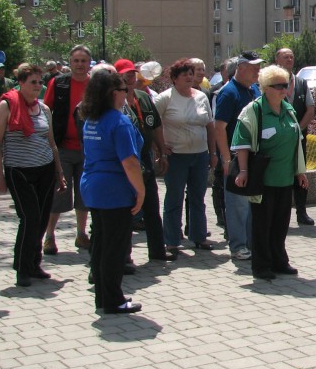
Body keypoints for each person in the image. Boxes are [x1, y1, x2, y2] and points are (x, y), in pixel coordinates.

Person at [0, 64, 66, 286]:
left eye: (40, 82)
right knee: (29, 218)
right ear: (21, 83)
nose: (37, 86)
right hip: (18, 171)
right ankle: (22, 267)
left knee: (41, 220)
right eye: (33, 82)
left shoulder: (44, 109)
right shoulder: (6, 106)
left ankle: (34, 264)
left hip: (45, 170)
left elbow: (51, 143)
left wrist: (59, 171)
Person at [231, 64, 308, 280]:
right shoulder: (253, 110)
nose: (284, 90)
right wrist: (243, 170)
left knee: (281, 224)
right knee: (262, 225)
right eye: (279, 86)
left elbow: (297, 142)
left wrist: (300, 172)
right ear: (265, 88)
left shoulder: (288, 109)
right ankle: (262, 265)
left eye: (286, 86)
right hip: (263, 179)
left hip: (285, 178)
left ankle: (279, 261)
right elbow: (242, 144)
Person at [79, 69, 144, 314]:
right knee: (115, 248)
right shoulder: (119, 121)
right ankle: (114, 299)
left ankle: (103, 297)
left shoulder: (92, 118)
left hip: (93, 187)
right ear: (111, 93)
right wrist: (141, 192)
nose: (126, 94)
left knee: (100, 243)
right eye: (123, 90)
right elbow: (130, 162)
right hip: (113, 190)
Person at [154, 58, 217, 254]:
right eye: (185, 74)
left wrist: (212, 153)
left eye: (191, 74)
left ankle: (199, 236)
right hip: (176, 157)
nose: (190, 77)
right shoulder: (164, 98)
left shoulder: (201, 96)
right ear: (174, 78)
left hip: (199, 155)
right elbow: (153, 125)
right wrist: (160, 148)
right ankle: (172, 240)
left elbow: (209, 125)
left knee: (198, 197)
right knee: (174, 198)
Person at [113, 59, 173, 263]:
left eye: (132, 73)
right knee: (127, 210)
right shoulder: (113, 103)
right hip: (125, 161)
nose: (129, 77)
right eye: (125, 74)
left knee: (151, 206)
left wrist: (162, 151)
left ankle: (157, 251)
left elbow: (155, 125)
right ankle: (125, 256)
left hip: (145, 157)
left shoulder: (143, 97)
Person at [42, 44, 93, 255]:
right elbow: (46, 111)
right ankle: (49, 236)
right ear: (70, 62)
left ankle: (81, 234)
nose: (80, 65)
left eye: (83, 61)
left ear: (89, 63)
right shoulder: (59, 83)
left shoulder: (94, 85)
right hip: (62, 147)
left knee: (84, 194)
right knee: (59, 193)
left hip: (88, 148)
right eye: (76, 61)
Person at [213, 51, 261, 261]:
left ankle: (251, 243)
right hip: (234, 157)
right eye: (253, 68)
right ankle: (238, 246)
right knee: (237, 204)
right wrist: (225, 158)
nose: (257, 72)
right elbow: (219, 128)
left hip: (254, 155)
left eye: (259, 68)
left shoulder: (255, 89)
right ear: (240, 68)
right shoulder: (228, 92)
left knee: (252, 202)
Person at [274, 47, 316, 226]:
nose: (289, 59)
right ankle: (279, 215)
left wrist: (298, 129)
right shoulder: (271, 82)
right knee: (279, 175)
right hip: (277, 139)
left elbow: (310, 109)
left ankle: (301, 212)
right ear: (277, 60)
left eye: (291, 56)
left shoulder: (300, 82)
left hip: (298, 138)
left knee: (300, 173)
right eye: (285, 57)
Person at [208, 56, 239, 234]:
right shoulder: (219, 92)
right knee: (222, 184)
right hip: (225, 149)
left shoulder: (251, 90)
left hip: (240, 150)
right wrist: (220, 154)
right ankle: (224, 220)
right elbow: (216, 125)